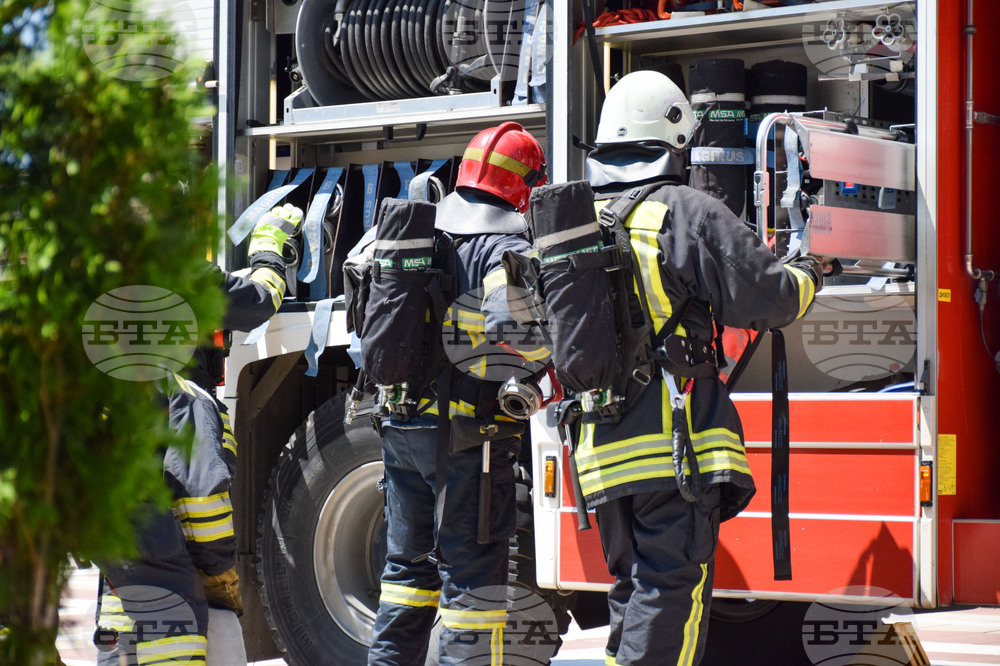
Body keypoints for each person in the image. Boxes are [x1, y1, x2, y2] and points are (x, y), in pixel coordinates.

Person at [544, 70, 830, 666]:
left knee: (634, 590)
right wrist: (810, 272)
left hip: (598, 451)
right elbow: (771, 298)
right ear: (675, 140)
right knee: (672, 589)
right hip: (673, 446)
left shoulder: (573, 225)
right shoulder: (682, 211)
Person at [366, 122, 548, 666]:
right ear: (524, 185)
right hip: (470, 444)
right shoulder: (503, 246)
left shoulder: (424, 230)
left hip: (400, 429)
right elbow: (511, 331)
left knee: (405, 576)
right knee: (473, 591)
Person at [97, 204, 300, 666]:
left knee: (122, 592)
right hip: (165, 469)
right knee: (174, 605)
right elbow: (259, 301)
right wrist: (270, 248)